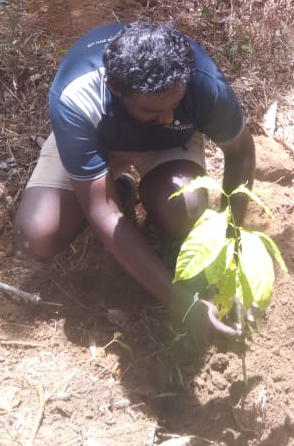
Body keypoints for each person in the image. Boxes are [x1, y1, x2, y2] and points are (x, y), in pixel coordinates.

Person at [14, 22, 256, 339]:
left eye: (175, 105)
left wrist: (228, 255)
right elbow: (104, 212)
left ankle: (151, 206)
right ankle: (120, 188)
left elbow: (241, 153)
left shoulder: (202, 82)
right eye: (153, 110)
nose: (168, 117)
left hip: (167, 143)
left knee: (185, 211)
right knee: (38, 236)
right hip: (96, 138)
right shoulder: (78, 95)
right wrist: (181, 304)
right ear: (115, 89)